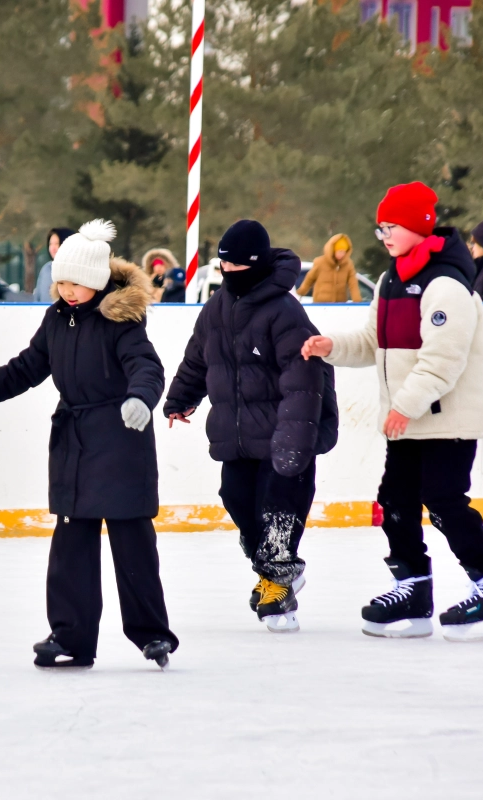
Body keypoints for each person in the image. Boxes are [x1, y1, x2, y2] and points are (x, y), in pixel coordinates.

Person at [0, 219, 178, 670]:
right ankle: (71, 636)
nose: (67, 291)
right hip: (74, 444)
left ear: (94, 281)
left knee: (133, 542)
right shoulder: (56, 319)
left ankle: (153, 635)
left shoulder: (121, 320)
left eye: (76, 283)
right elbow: (27, 368)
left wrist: (141, 399)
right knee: (71, 545)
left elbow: (147, 366)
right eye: (62, 282)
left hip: (121, 442)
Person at [301, 181, 483, 642]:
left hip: (447, 420)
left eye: (391, 227)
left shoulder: (447, 285)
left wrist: (404, 405)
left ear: (419, 225)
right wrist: (331, 347)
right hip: (408, 422)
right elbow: (370, 342)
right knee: (395, 504)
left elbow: (445, 358)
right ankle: (413, 589)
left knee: (442, 502)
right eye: (379, 228)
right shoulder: (390, 280)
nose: (383, 236)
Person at [163, 220, 338, 634]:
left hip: (284, 433)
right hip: (237, 433)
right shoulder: (216, 308)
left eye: (237, 269)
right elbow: (198, 359)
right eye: (224, 268)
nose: (229, 276)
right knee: (237, 498)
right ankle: (276, 568)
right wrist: (179, 399)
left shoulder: (284, 311)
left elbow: (304, 379)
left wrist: (296, 440)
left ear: (256, 267)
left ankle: (278, 582)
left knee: (279, 507)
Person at [298, 233, 362, 303]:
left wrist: (357, 300)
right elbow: (309, 279)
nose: (342, 254)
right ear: (333, 250)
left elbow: (353, 284)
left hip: (339, 304)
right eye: (340, 251)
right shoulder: (320, 263)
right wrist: (300, 293)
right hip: (321, 304)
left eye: (344, 252)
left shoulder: (348, 265)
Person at [33, 227, 75, 302]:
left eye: (57, 244)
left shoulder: (76, 270)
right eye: (50, 244)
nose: (53, 248)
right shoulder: (46, 269)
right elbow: (37, 298)